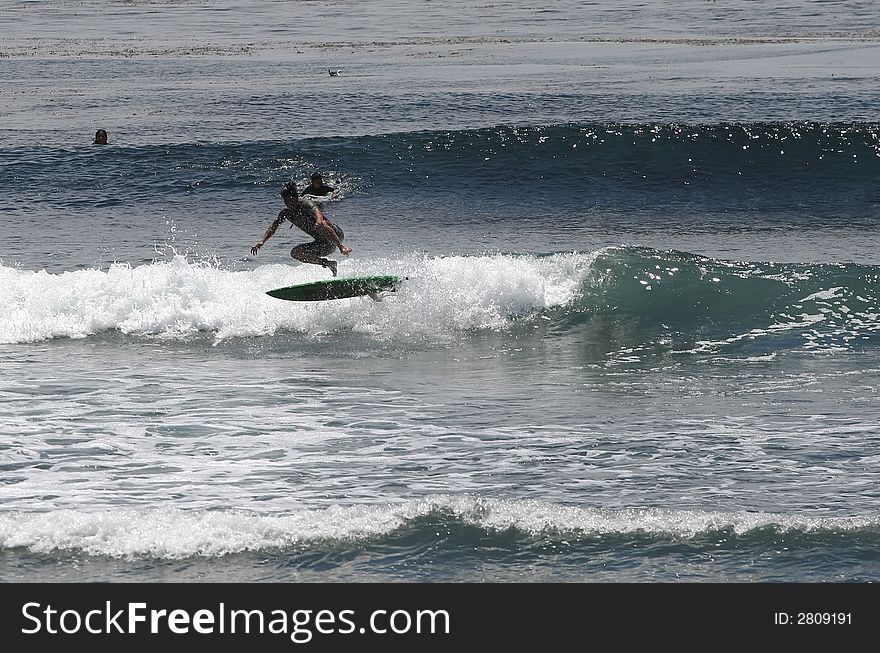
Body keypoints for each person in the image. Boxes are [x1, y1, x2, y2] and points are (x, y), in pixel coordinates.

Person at [250, 180, 352, 276]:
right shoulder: (286, 213)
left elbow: (318, 213)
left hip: (335, 235)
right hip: (324, 245)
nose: (287, 203)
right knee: (296, 253)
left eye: (289, 200)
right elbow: (273, 227)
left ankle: (342, 247)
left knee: (321, 224)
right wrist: (261, 242)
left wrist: (318, 221)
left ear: (294, 197)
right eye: (285, 201)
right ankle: (329, 264)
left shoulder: (305, 203)